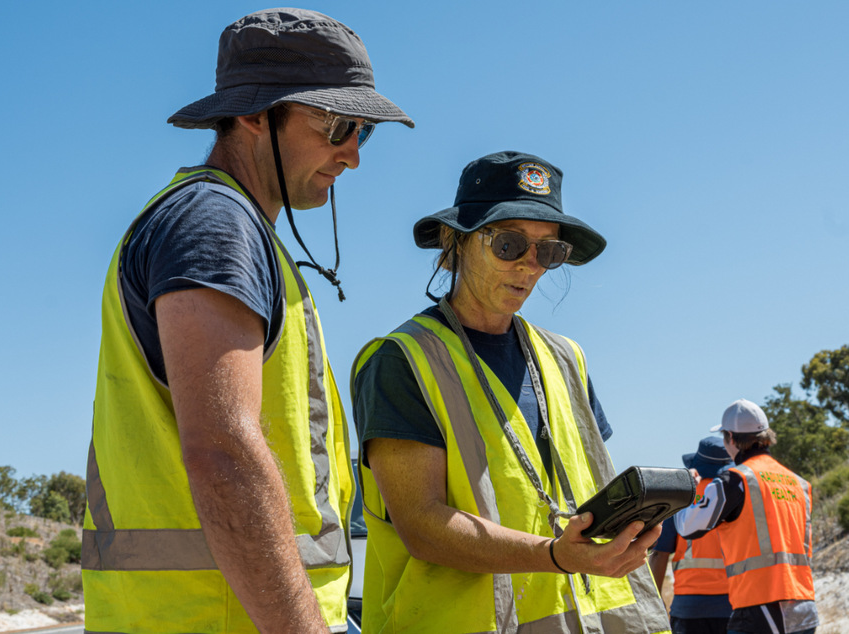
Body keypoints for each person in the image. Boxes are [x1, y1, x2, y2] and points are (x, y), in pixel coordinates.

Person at [82, 8, 413, 633]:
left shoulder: (225, 224)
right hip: (227, 618)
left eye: (364, 133)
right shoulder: (215, 222)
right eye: (340, 125)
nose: (353, 156)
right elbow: (222, 452)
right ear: (255, 114)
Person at [351, 151, 671, 633]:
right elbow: (421, 525)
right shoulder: (402, 360)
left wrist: (627, 526)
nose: (530, 265)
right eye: (509, 244)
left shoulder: (566, 358)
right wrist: (555, 557)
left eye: (549, 252)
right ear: (454, 241)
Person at [674, 399, 817, 634]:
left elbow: (688, 527)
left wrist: (686, 491)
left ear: (730, 437)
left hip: (760, 605)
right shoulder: (798, 483)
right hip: (804, 604)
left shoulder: (735, 480)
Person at [649, 437, 733, 634]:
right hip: (733, 603)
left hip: (689, 606)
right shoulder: (736, 493)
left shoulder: (683, 496)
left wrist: (654, 600)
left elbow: (660, 554)